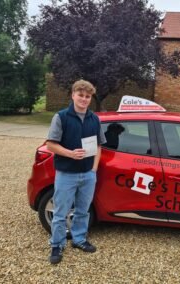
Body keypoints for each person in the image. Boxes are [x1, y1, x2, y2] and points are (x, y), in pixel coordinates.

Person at [46, 79, 106, 264]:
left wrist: (94, 169)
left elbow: (98, 146)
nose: (84, 99)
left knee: (83, 210)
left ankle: (79, 239)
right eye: (81, 95)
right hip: (66, 174)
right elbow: (50, 145)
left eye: (87, 96)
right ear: (73, 95)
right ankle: (57, 244)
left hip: (88, 174)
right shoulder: (61, 117)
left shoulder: (94, 118)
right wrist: (70, 154)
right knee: (60, 212)